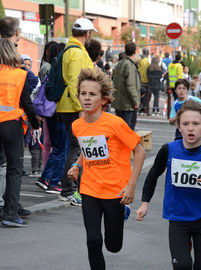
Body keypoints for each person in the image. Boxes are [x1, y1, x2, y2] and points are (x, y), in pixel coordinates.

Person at [136, 99, 201, 270]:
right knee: (183, 266)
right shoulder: (169, 150)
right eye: (185, 124)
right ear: (179, 127)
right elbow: (152, 176)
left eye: (196, 123)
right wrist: (144, 203)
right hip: (177, 218)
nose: (190, 128)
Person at [67, 68, 145, 269]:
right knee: (93, 240)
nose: (87, 98)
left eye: (93, 94)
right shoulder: (77, 125)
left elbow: (139, 151)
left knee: (113, 246)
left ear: (103, 100)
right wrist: (77, 164)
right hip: (90, 189)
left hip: (115, 191)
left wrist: (131, 185)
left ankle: (122, 212)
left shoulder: (115, 124)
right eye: (83, 93)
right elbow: (89, 146)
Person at [0, 38, 40, 227]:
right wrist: (35, 124)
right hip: (11, 126)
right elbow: (26, 102)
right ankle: (10, 214)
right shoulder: (20, 75)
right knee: (14, 170)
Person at [57, 18, 96, 205]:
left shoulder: (70, 49)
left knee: (74, 147)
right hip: (73, 107)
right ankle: (69, 189)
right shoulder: (77, 53)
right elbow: (74, 82)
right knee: (76, 147)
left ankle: (71, 188)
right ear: (87, 33)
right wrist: (81, 108)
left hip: (68, 105)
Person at [35, 43, 69, 194]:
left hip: (49, 113)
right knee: (61, 148)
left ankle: (45, 178)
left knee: (56, 148)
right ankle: (53, 181)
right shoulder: (61, 73)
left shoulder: (49, 70)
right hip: (59, 113)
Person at [112, 42, 141, 130]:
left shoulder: (119, 64)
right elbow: (130, 85)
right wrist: (135, 101)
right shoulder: (130, 65)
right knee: (128, 130)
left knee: (121, 129)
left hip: (119, 103)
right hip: (128, 105)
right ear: (135, 52)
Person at [138, 48, 150, 114]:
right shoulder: (147, 61)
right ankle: (144, 109)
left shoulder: (140, 60)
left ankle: (140, 109)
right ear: (147, 53)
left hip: (139, 80)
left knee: (140, 96)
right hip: (145, 81)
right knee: (145, 97)